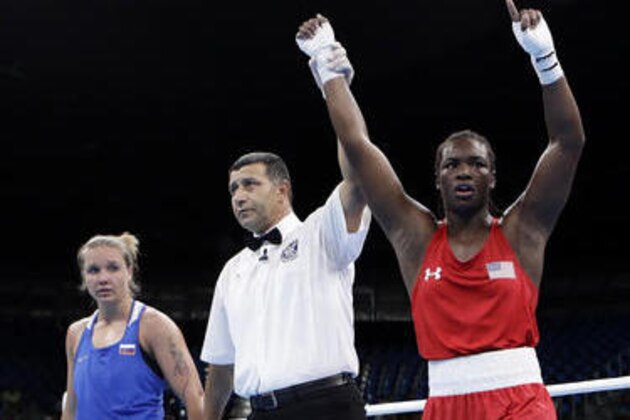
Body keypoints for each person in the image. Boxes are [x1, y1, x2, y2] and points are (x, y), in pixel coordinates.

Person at [296, 0, 584, 418]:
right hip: (445, 404)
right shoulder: (416, 238)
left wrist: (544, 57)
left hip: (519, 401)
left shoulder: (523, 232)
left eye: (476, 164)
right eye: (452, 164)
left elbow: (567, 143)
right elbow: (358, 148)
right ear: (438, 178)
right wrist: (327, 64)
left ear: (492, 177)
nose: (464, 172)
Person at [200, 149, 371, 419]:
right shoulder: (232, 271)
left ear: (282, 190)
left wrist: (337, 105)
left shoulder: (321, 234)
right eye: (233, 189)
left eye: (250, 185)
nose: (239, 197)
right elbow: (221, 365)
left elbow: (359, 177)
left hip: (327, 407)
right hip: (260, 412)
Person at [61, 232, 204, 420]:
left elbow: (195, 397)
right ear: (84, 277)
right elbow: (72, 406)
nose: (103, 278)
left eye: (113, 268)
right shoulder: (76, 333)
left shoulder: (153, 326)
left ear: (129, 271)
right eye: (94, 270)